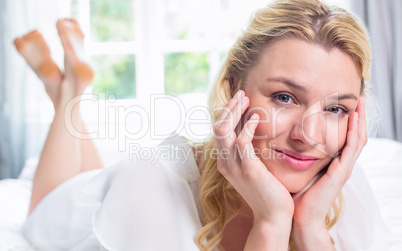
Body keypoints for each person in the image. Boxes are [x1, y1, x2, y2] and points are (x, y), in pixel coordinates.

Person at [14, 0, 391, 250]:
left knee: (92, 165)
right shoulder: (148, 183)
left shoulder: (338, 187)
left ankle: (71, 88)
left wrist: (308, 225)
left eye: (336, 110)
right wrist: (271, 220)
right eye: (285, 98)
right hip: (67, 217)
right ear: (233, 88)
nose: (308, 136)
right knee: (45, 204)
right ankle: (67, 93)